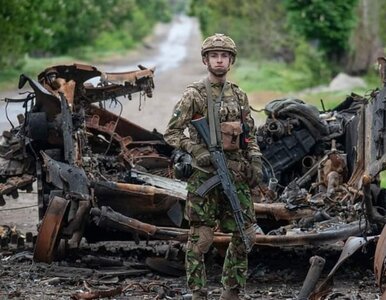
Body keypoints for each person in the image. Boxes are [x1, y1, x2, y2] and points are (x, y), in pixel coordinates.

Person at [164, 33, 262, 300]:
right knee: (201, 239)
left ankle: (231, 290)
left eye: (224, 56)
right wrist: (196, 149)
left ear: (231, 61)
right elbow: (171, 133)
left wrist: (254, 161)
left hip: (236, 173)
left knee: (246, 233)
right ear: (206, 60)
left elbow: (249, 135)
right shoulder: (194, 95)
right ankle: (198, 292)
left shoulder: (239, 95)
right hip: (205, 175)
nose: (219, 61)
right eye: (214, 56)